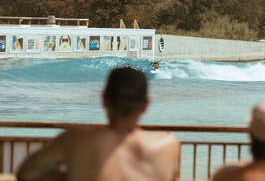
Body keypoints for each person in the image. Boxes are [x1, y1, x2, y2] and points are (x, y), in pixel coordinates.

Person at [17, 67, 180, 181]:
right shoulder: (168, 145)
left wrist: (72, 176)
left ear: (104, 99)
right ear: (146, 104)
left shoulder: (75, 139)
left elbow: (26, 173)